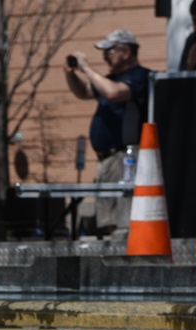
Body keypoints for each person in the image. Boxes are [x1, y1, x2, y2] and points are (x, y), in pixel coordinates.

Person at [64, 29, 149, 233]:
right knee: (108, 220)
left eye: (109, 51)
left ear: (126, 52)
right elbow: (84, 92)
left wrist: (86, 67)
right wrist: (71, 74)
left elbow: (114, 93)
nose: (105, 57)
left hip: (126, 157)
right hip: (106, 159)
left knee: (124, 220)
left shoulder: (140, 76)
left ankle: (126, 258)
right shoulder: (110, 78)